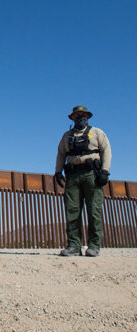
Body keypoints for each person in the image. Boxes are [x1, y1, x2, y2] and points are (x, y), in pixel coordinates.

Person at [55, 105, 111, 257]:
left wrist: (105, 171)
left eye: (83, 115)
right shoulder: (66, 136)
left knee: (94, 210)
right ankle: (73, 245)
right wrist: (58, 172)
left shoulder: (97, 133)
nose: (80, 117)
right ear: (72, 118)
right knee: (72, 210)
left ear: (87, 117)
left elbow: (106, 150)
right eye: (77, 115)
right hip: (73, 175)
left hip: (92, 175)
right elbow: (61, 154)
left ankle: (94, 245)